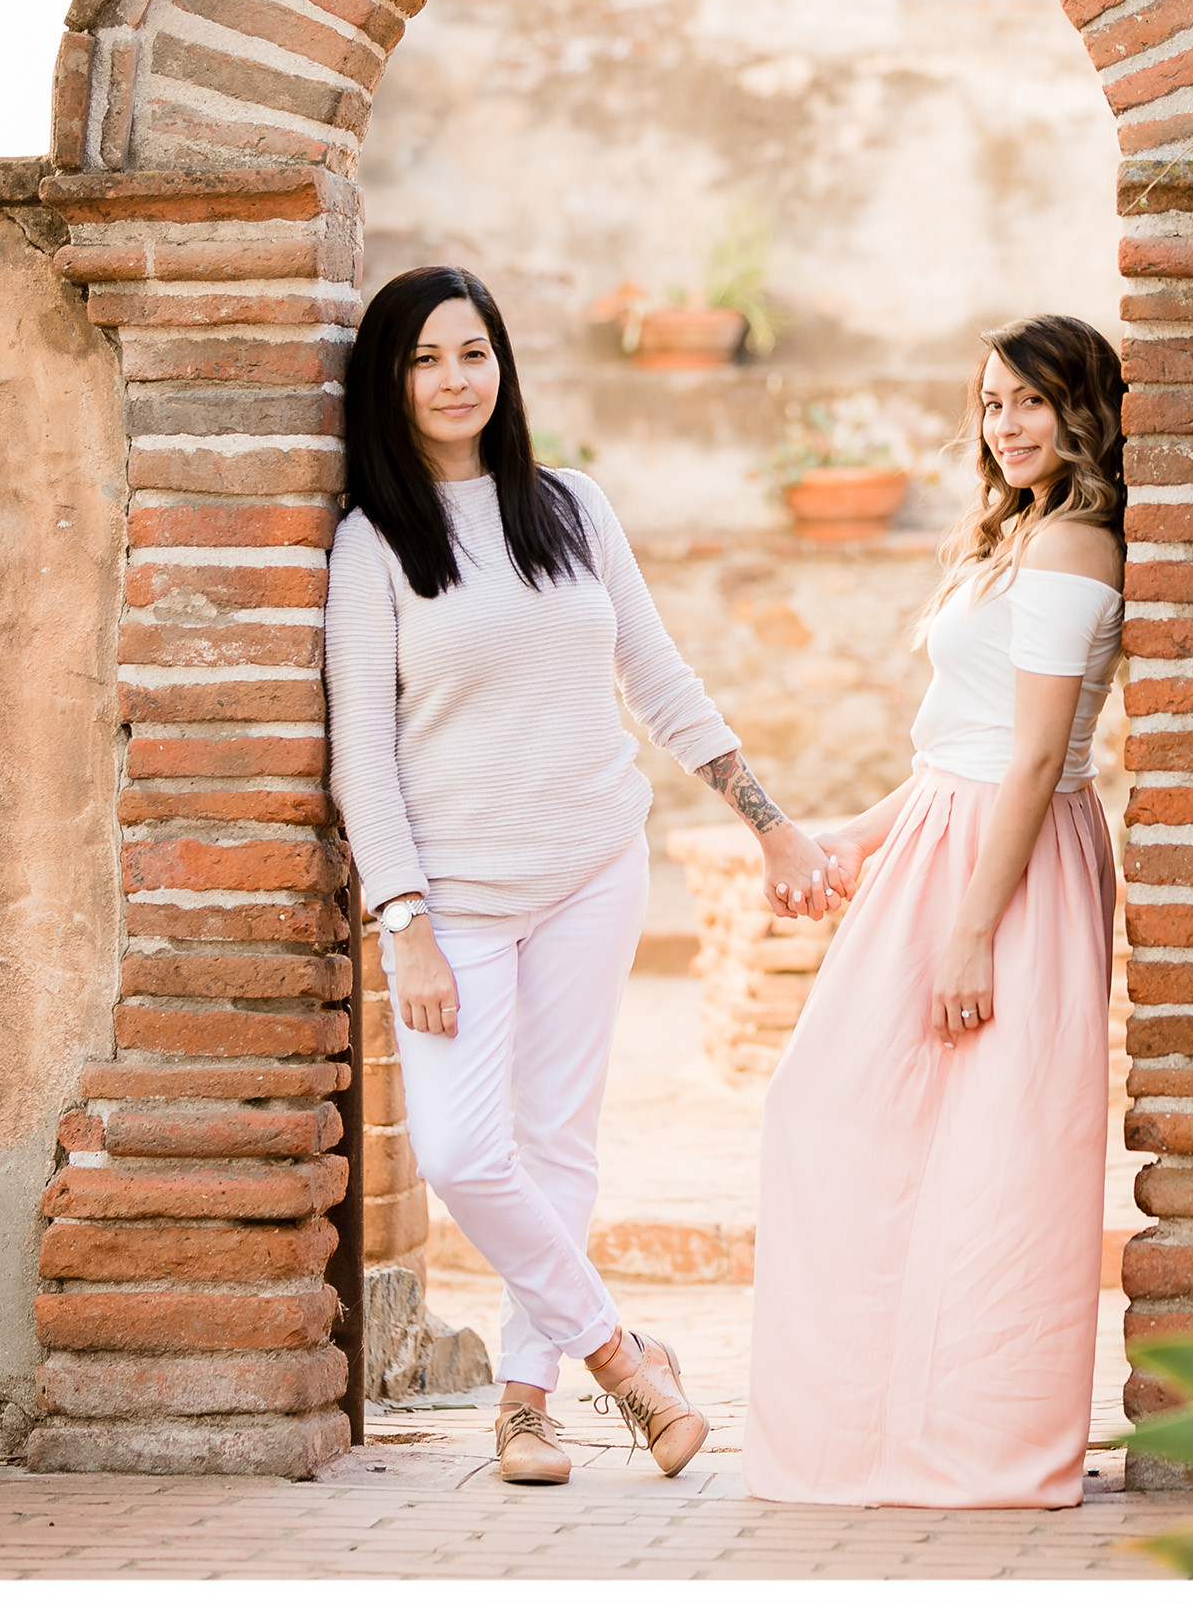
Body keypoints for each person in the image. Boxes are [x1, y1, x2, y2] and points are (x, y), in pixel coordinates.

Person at [325, 266, 839, 1488]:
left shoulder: (570, 507)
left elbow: (656, 676)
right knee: (462, 1151)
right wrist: (402, 921)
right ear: (388, 386)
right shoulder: (372, 545)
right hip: (453, 894)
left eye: (474, 353)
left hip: (594, 864)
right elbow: (361, 750)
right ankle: (621, 1355)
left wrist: (764, 818)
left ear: (502, 367)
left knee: (555, 1138)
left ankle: (523, 1403)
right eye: (424, 361)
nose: (455, 380)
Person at [745, 315, 1127, 1508]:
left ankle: (983, 1447)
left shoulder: (1074, 548)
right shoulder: (1016, 536)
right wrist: (862, 835)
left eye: (1029, 400)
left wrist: (971, 923)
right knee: (843, 1114)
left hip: (1007, 867)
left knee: (1002, 1155)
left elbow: (1031, 760)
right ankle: (874, 1435)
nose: (1005, 425)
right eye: (990, 403)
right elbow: (955, 749)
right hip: (942, 841)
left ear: (1083, 408)